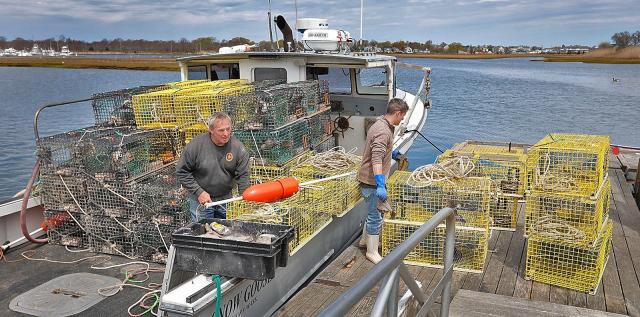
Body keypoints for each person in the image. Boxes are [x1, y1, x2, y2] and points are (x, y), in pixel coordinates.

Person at [357, 98, 409, 263]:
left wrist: (394, 153)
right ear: (397, 113)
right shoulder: (383, 131)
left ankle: (365, 242)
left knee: (373, 212)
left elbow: (381, 149)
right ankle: (371, 252)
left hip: (369, 180)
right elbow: (376, 158)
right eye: (403, 116)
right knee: (376, 216)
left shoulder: (380, 123)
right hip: (371, 182)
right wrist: (380, 184)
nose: (403, 120)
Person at [176, 112, 250, 221]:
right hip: (201, 201)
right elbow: (182, 172)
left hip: (225, 199)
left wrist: (245, 199)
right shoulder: (195, 146)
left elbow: (243, 175)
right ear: (211, 130)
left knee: (227, 232)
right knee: (204, 232)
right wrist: (199, 192)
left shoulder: (238, 148)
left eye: (228, 129)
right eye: (221, 130)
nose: (226, 133)